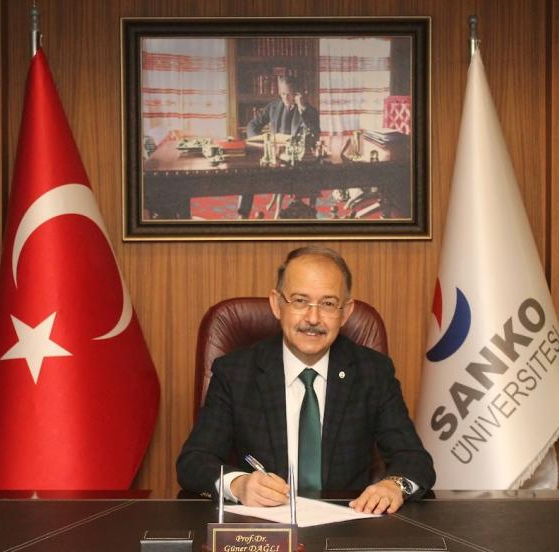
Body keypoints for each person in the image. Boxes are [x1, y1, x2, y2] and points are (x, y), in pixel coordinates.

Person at [176, 246, 435, 514]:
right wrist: (238, 484)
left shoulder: (373, 372)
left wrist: (395, 485)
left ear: (346, 312)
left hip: (347, 523)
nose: (313, 318)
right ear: (277, 304)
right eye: (300, 301)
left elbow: (415, 460)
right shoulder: (235, 372)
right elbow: (194, 461)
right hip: (265, 527)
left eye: (328, 304)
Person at [239, 76, 321, 218]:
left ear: (297, 93)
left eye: (289, 94)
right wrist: (262, 141)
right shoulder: (273, 107)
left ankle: (299, 212)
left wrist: (302, 109)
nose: (285, 98)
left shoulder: (309, 111)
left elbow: (314, 134)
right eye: (282, 94)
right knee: (247, 176)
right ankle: (242, 214)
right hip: (274, 159)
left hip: (296, 164)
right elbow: (252, 125)